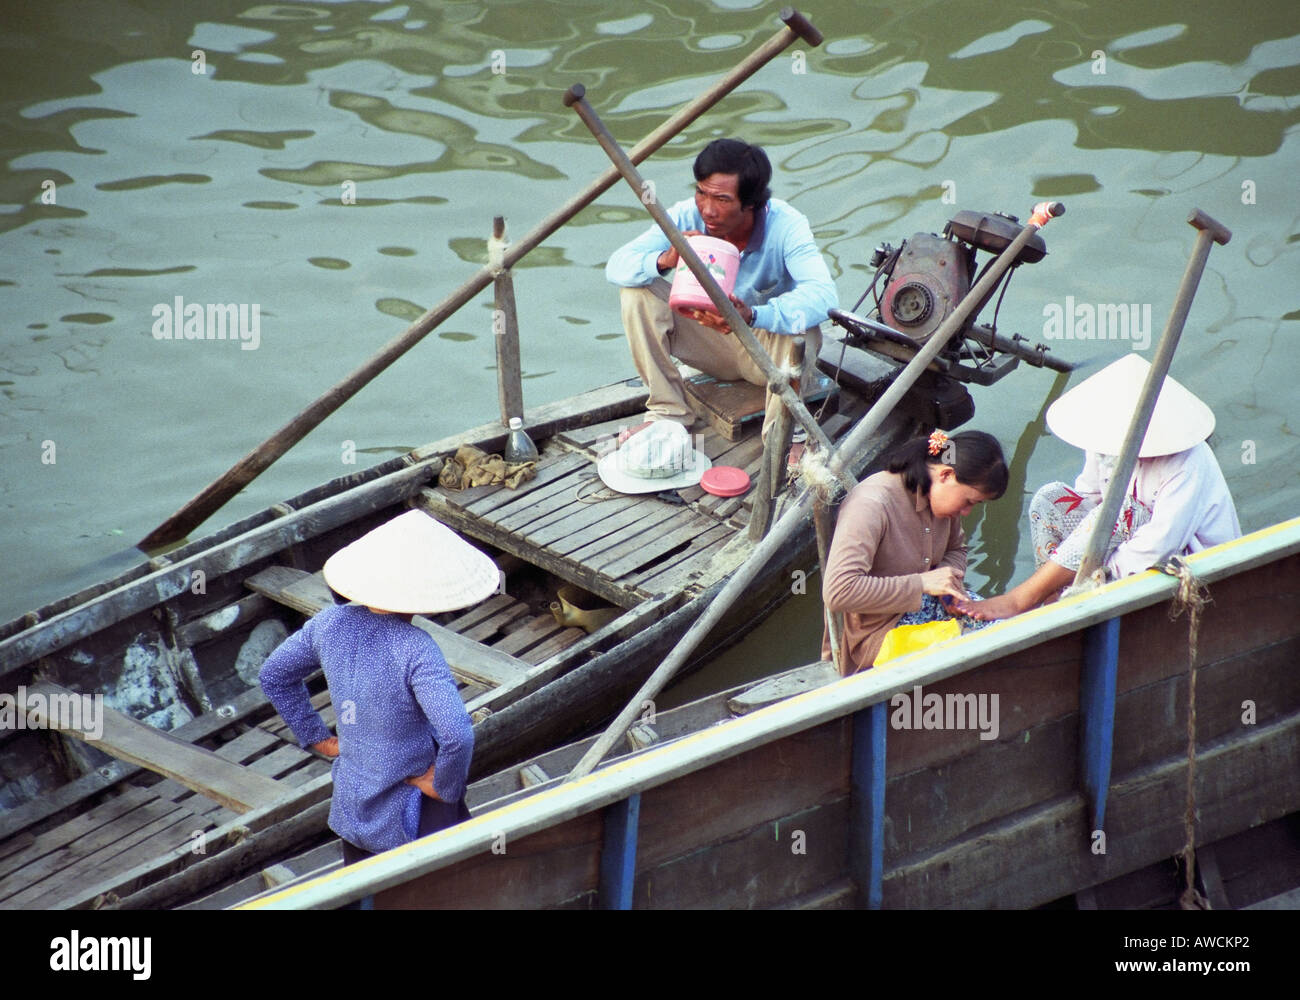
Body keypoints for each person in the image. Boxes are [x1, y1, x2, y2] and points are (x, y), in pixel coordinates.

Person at [259, 509, 499, 864]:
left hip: (353, 804)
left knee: (363, 891)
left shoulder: (327, 624)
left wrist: (317, 737)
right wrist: (443, 785)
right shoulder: (416, 647)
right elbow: (457, 734)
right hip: (412, 811)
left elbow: (274, 675)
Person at [956, 355, 1242, 621]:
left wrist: (1090, 577)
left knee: (1118, 510)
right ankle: (1050, 596)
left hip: (1177, 564)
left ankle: (1026, 597)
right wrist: (1071, 564)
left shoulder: (1187, 461)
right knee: (1049, 498)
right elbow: (1088, 497)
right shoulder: (1107, 443)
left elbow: (1158, 546)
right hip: (1110, 549)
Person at [606, 138, 837, 440]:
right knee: (637, 291)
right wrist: (666, 259)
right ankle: (667, 413)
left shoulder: (787, 225)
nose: (708, 210)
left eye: (722, 200)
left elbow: (824, 296)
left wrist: (753, 315)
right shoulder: (687, 215)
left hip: (767, 354)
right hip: (711, 345)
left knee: (804, 329)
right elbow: (617, 265)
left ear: (752, 202)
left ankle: (781, 435)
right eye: (702, 193)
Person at [822, 430, 1009, 675]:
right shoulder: (871, 505)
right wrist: (922, 583)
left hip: (928, 606)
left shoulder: (941, 501)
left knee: (1006, 633)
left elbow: (957, 550)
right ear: (946, 474)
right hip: (879, 631)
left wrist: (947, 583)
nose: (966, 512)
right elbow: (838, 592)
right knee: (973, 651)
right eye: (969, 502)